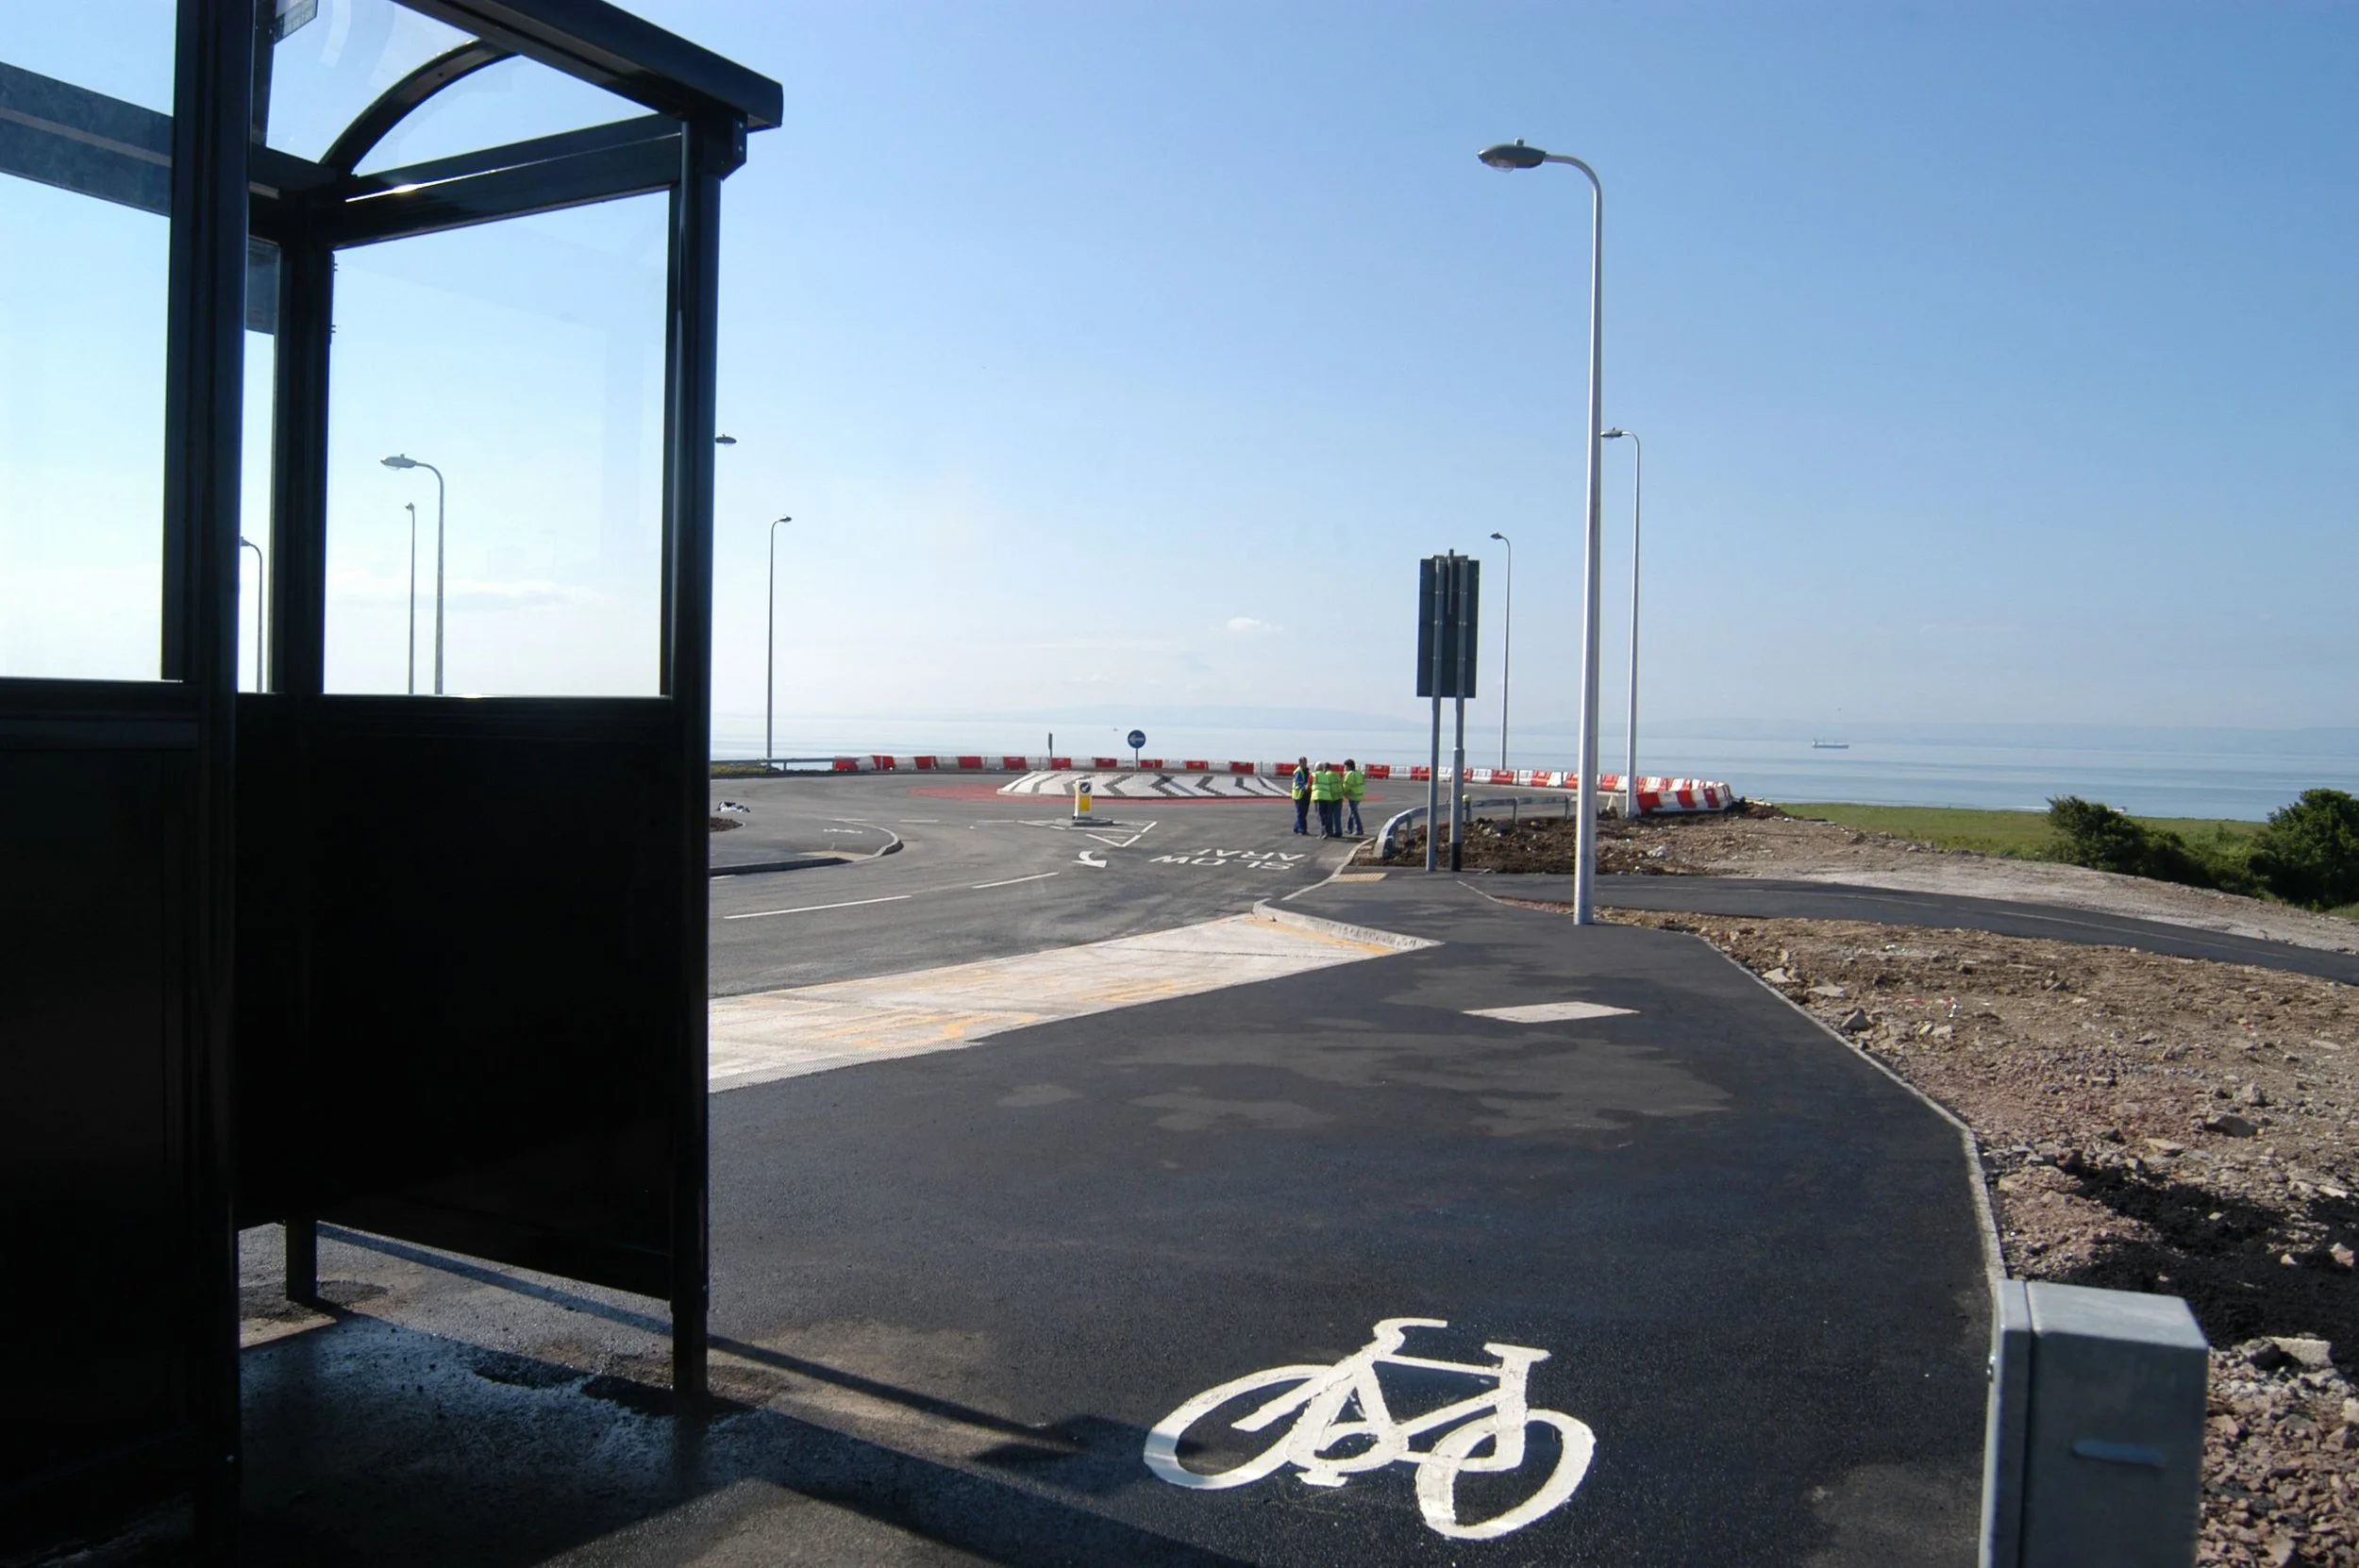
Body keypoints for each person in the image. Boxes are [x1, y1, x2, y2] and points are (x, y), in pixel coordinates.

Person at [1312, 760, 1343, 837]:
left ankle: (1329, 832)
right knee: (1337, 817)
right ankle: (1338, 831)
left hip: (1331, 798)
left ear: (1325, 768)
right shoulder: (1337, 775)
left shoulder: (1326, 776)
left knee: (1328, 816)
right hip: (1339, 797)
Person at [1343, 758, 1365, 837]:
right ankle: (1349, 828)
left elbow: (1346, 786)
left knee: (1354, 813)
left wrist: (1343, 793)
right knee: (1351, 811)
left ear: (1348, 766)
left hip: (1353, 795)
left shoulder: (1349, 774)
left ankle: (1359, 829)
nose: (1344, 768)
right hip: (1359, 795)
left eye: (1345, 766)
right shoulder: (1358, 773)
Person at [1291, 756, 1311, 835]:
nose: (1305, 764)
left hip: (1306, 794)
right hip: (1299, 794)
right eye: (1304, 762)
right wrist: (1304, 786)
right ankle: (1302, 829)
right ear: (1300, 763)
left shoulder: (1307, 771)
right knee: (1301, 813)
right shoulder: (1298, 771)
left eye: (1306, 762)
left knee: (1303, 812)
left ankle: (1296, 827)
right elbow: (1298, 782)